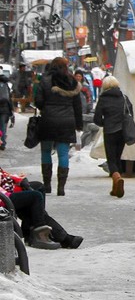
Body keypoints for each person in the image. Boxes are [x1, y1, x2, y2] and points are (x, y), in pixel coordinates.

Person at [34, 57, 84, 197]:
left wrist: (47, 107)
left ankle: (47, 185)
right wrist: (79, 124)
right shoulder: (72, 81)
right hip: (67, 122)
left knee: (45, 152)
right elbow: (77, 106)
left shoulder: (44, 80)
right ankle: (61, 187)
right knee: (63, 154)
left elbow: (38, 101)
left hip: (48, 120)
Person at [91, 76, 131, 198]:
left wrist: (105, 123)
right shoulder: (124, 98)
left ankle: (117, 178)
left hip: (109, 132)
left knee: (111, 159)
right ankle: (116, 188)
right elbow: (130, 113)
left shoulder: (103, 99)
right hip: (123, 131)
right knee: (118, 158)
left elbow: (97, 119)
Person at [0, 72, 13, 150]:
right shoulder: (6, 85)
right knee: (3, 127)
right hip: (5, 109)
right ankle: (3, 143)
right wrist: (11, 111)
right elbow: (9, 99)